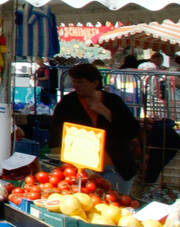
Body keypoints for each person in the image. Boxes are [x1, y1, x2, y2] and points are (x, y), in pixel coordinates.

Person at [50, 62, 142, 196]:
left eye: (81, 82)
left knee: (116, 202)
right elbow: (56, 131)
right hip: (82, 168)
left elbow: (132, 130)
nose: (76, 86)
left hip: (115, 166)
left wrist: (105, 111)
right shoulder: (68, 102)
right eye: (74, 82)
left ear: (95, 83)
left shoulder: (113, 101)